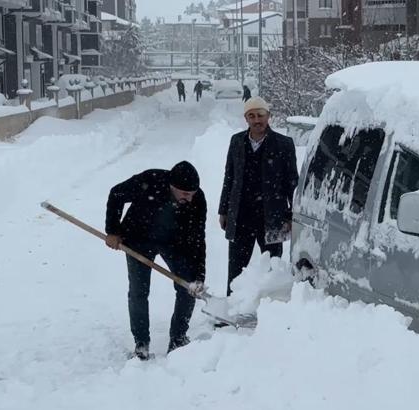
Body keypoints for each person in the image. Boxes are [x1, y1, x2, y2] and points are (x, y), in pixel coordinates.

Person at [105, 161, 207, 360]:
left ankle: (178, 339)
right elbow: (116, 193)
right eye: (185, 193)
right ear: (172, 186)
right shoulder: (151, 180)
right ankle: (141, 344)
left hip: (174, 243)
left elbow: (198, 239)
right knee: (139, 291)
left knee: (187, 287)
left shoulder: (197, 199)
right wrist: (113, 231)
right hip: (138, 238)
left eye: (192, 193)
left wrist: (198, 277)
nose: (189, 198)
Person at [219, 97, 298, 296]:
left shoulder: (284, 144)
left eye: (260, 115)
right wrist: (224, 210)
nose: (257, 120)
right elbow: (229, 177)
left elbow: (292, 183)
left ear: (268, 116)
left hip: (273, 216)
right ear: (246, 118)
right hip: (241, 215)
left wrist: (291, 215)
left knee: (273, 267)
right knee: (236, 267)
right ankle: (232, 304)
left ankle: (271, 305)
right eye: (251, 116)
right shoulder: (237, 141)